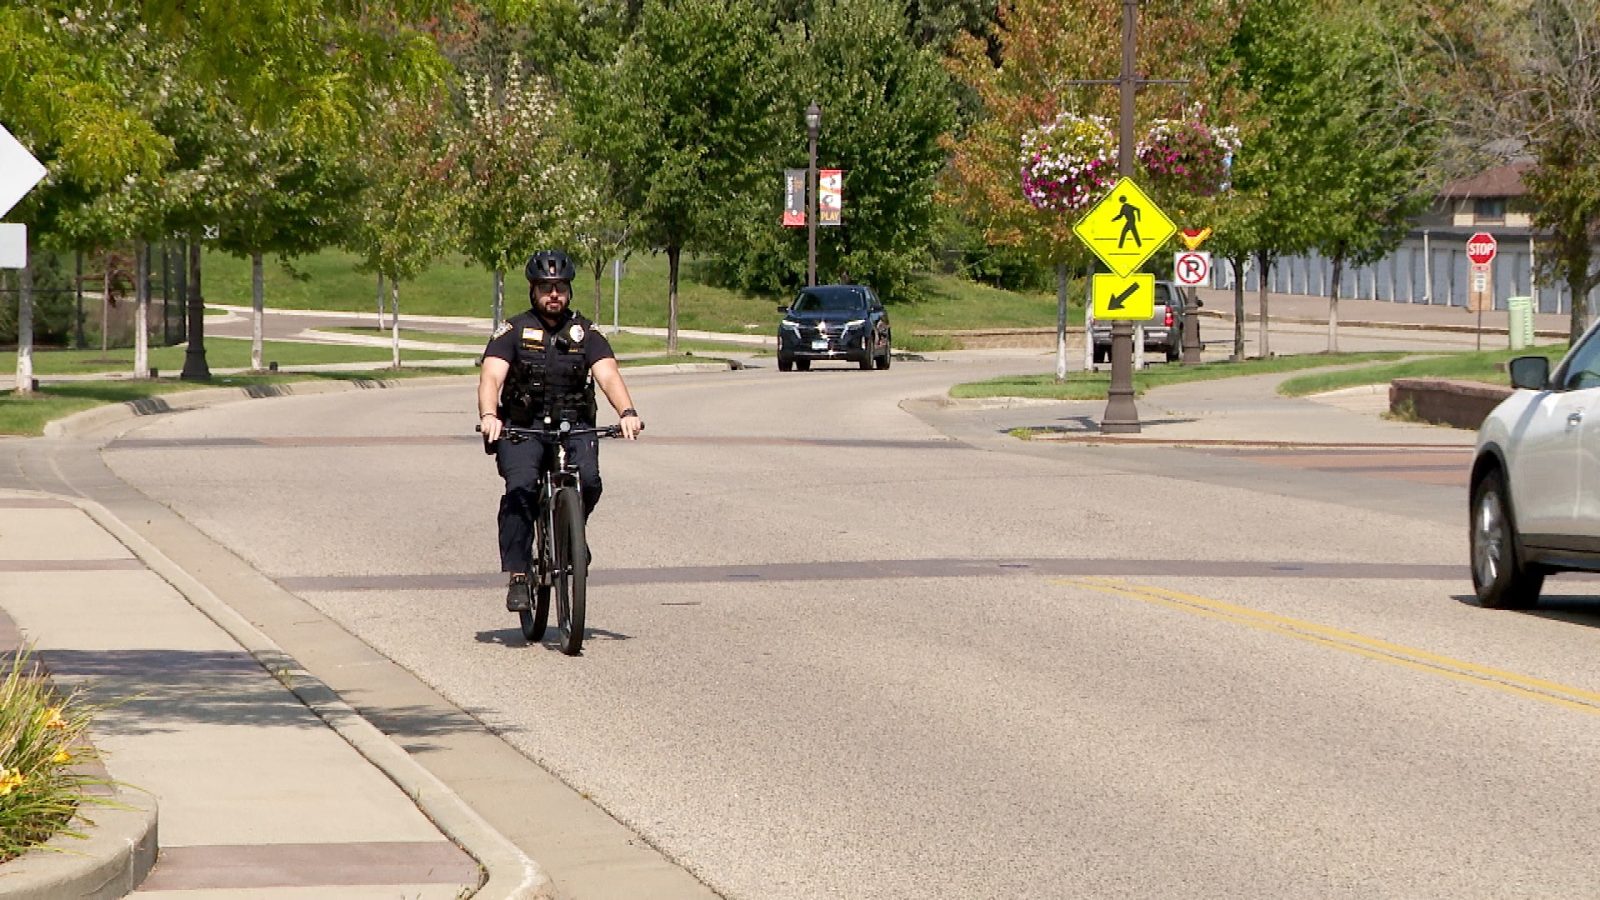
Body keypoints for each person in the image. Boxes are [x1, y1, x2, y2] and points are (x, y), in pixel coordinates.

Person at [478, 250, 644, 612]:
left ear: (569, 291)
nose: (554, 295)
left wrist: (627, 412)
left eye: (560, 288)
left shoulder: (585, 332)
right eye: (546, 288)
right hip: (523, 426)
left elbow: (608, 374)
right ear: (533, 291)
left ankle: (572, 534)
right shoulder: (514, 330)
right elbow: (491, 375)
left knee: (591, 480)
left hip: (575, 422)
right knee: (521, 488)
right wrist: (490, 415)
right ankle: (519, 575)